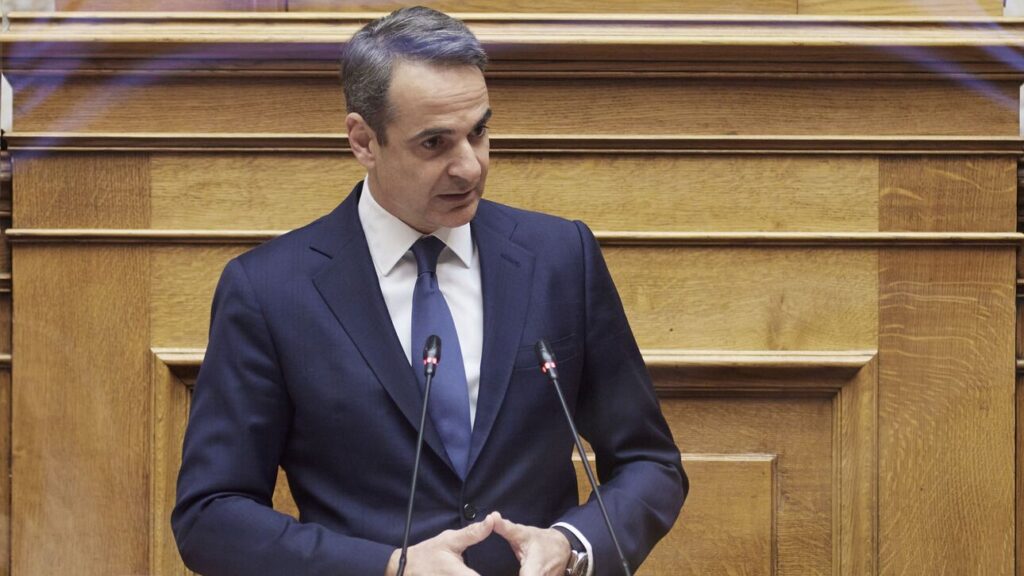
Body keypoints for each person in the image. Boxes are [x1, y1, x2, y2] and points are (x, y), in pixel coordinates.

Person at [171, 6, 686, 576]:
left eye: (479, 132)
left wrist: (572, 544)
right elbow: (210, 517)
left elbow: (649, 461)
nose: (469, 167)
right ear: (364, 141)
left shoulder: (560, 257)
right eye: (435, 143)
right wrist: (388, 566)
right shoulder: (270, 292)